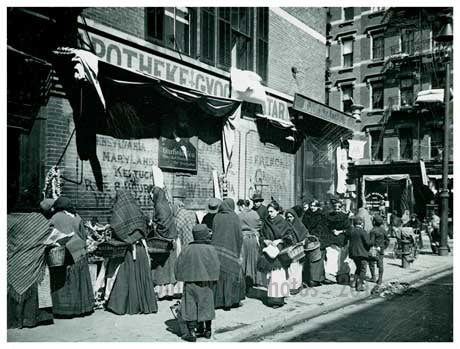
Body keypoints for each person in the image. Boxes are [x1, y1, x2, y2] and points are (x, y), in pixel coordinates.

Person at [105, 190, 158, 315]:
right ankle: (143, 304)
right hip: (141, 249)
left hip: (128, 251)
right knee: (141, 276)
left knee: (126, 277)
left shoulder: (119, 211)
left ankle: (124, 305)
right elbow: (146, 227)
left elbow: (116, 228)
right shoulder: (138, 210)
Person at [7, 200, 56, 329]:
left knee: (11, 286)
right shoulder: (41, 220)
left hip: (13, 261)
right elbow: (51, 235)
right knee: (30, 285)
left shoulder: (9, 218)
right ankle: (29, 319)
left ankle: (12, 320)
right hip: (32, 260)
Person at [47, 196, 94, 317]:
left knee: (65, 283)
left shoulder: (55, 218)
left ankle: (63, 310)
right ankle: (83, 308)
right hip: (78, 252)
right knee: (78, 281)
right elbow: (83, 235)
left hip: (63, 255)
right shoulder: (77, 216)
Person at [175, 224, 221, 342]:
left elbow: (178, 265)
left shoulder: (187, 249)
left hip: (190, 283)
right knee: (206, 305)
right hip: (206, 283)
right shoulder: (210, 249)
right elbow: (216, 265)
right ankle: (207, 330)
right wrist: (214, 279)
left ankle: (192, 332)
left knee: (190, 306)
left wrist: (181, 277)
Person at [257, 201, 294, 307]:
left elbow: (290, 237)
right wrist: (265, 241)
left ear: (277, 211)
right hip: (269, 251)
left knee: (278, 276)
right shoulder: (266, 222)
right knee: (270, 277)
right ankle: (272, 297)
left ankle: (278, 299)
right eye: (268, 211)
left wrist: (280, 241)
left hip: (280, 252)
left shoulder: (283, 223)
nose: (270, 214)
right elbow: (261, 235)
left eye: (272, 211)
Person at [211, 198, 245, 309]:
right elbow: (239, 235)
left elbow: (214, 232)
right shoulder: (234, 217)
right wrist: (239, 250)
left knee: (219, 276)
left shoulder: (217, 216)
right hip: (232, 250)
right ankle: (231, 301)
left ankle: (218, 301)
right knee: (231, 275)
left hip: (217, 251)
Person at [149, 185, 181, 299]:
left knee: (161, 270)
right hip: (171, 240)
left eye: (151, 194)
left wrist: (154, 226)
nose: (150, 196)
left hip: (163, 242)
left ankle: (161, 292)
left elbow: (162, 224)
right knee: (169, 268)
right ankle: (170, 291)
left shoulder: (159, 206)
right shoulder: (166, 205)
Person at [237, 199, 263, 290]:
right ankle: (255, 279)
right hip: (254, 239)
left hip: (244, 239)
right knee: (253, 259)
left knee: (244, 260)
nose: (239, 209)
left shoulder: (239, 216)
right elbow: (260, 225)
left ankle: (246, 281)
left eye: (239, 207)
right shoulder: (255, 214)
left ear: (242, 206)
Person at [302, 200, 327, 287]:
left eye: (314, 206)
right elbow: (303, 226)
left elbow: (322, 227)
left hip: (319, 239)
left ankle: (319, 278)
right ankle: (313, 279)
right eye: (311, 206)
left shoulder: (321, 215)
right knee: (311, 259)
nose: (312, 208)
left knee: (318, 258)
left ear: (318, 207)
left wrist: (317, 236)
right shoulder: (306, 215)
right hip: (309, 238)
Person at [326, 200, 352, 283]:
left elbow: (349, 230)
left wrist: (340, 231)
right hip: (331, 240)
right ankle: (332, 275)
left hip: (342, 240)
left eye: (338, 208)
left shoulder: (344, 217)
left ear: (341, 208)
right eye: (335, 208)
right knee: (332, 257)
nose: (337, 209)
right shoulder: (330, 216)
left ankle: (342, 275)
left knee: (341, 258)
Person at [285, 208, 309, 295]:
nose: (289, 219)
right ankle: (292, 286)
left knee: (298, 268)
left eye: (291, 217)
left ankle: (297, 286)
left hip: (299, 249)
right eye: (287, 217)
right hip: (290, 250)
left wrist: (302, 242)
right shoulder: (286, 226)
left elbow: (306, 235)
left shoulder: (300, 225)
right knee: (291, 269)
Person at [344, 216, 371, 291]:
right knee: (363, 269)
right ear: (362, 223)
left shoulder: (351, 231)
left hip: (353, 253)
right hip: (362, 253)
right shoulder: (362, 231)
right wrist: (372, 242)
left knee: (358, 268)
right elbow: (367, 243)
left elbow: (346, 237)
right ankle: (360, 284)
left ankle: (354, 282)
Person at [368, 215, 389, 285]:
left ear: (374, 222)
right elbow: (387, 240)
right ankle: (380, 279)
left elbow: (371, 242)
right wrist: (384, 247)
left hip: (373, 249)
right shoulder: (383, 230)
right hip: (381, 249)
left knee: (371, 263)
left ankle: (373, 277)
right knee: (380, 264)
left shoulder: (372, 231)